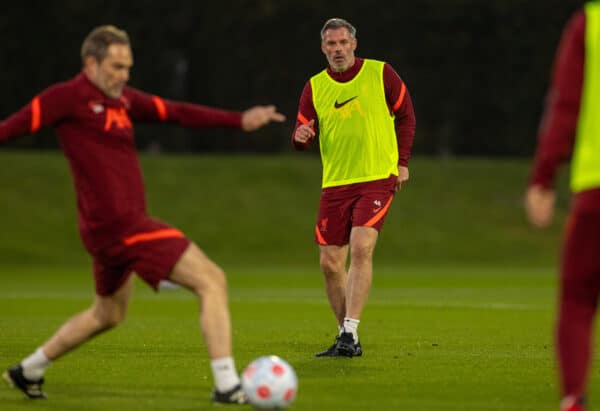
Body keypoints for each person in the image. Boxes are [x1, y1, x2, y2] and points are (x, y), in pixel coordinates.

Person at [0, 25, 285, 404]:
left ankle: (28, 370)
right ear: (91, 62)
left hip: (110, 231)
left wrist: (238, 120)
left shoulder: (125, 101)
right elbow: (8, 129)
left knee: (108, 314)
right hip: (119, 225)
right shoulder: (64, 98)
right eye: (116, 67)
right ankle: (227, 385)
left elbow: (179, 113)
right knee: (212, 279)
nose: (124, 75)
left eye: (127, 67)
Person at [292, 18, 416, 357]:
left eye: (343, 42)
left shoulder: (380, 73)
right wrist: (300, 137)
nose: (337, 49)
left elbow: (406, 116)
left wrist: (402, 162)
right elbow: (303, 131)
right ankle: (346, 336)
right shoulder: (315, 87)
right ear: (323, 48)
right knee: (330, 263)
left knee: (361, 248)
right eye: (331, 44)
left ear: (354, 44)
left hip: (376, 177)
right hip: (335, 183)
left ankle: (350, 330)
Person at [525, 2, 600, 410]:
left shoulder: (590, 24)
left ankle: (573, 399)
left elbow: (566, 105)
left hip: (596, 189)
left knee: (577, 299)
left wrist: (543, 176)